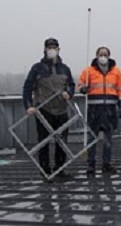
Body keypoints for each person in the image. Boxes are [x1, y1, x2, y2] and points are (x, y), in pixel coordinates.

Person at [22, 37, 75, 181]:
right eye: (49, 47)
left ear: (59, 49)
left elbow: (71, 85)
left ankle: (60, 170)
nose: (52, 49)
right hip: (44, 110)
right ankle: (46, 172)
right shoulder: (37, 68)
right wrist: (29, 106)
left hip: (62, 110)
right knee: (43, 142)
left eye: (54, 47)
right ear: (45, 49)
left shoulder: (65, 68)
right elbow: (27, 87)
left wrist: (69, 93)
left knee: (62, 142)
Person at [78, 46, 121, 174]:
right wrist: (83, 89)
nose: (103, 57)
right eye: (100, 54)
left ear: (109, 56)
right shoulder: (89, 71)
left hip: (110, 109)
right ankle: (91, 164)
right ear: (96, 55)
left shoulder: (116, 71)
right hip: (94, 109)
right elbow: (80, 85)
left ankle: (106, 163)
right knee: (92, 138)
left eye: (105, 54)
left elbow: (120, 89)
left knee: (108, 138)